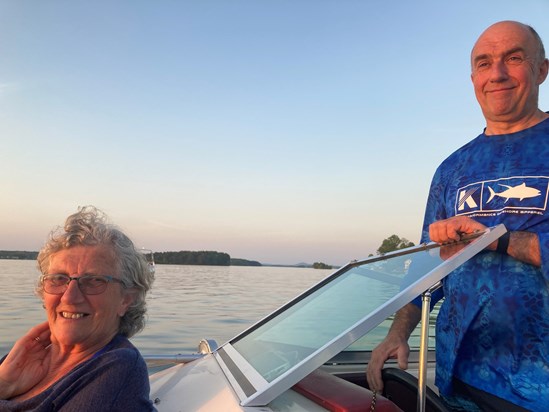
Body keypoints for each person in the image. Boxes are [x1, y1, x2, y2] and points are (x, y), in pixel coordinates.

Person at [366, 20, 549, 412]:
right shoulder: (452, 169)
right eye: (484, 63)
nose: (497, 73)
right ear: (472, 79)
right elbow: (425, 269)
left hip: (538, 389)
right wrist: (398, 334)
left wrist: (500, 240)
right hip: (458, 379)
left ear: (541, 70)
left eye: (513, 58)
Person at [0, 206, 157, 411]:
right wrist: (5, 383)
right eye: (59, 279)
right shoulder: (23, 361)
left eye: (93, 281)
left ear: (126, 299)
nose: (70, 296)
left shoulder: (116, 369)